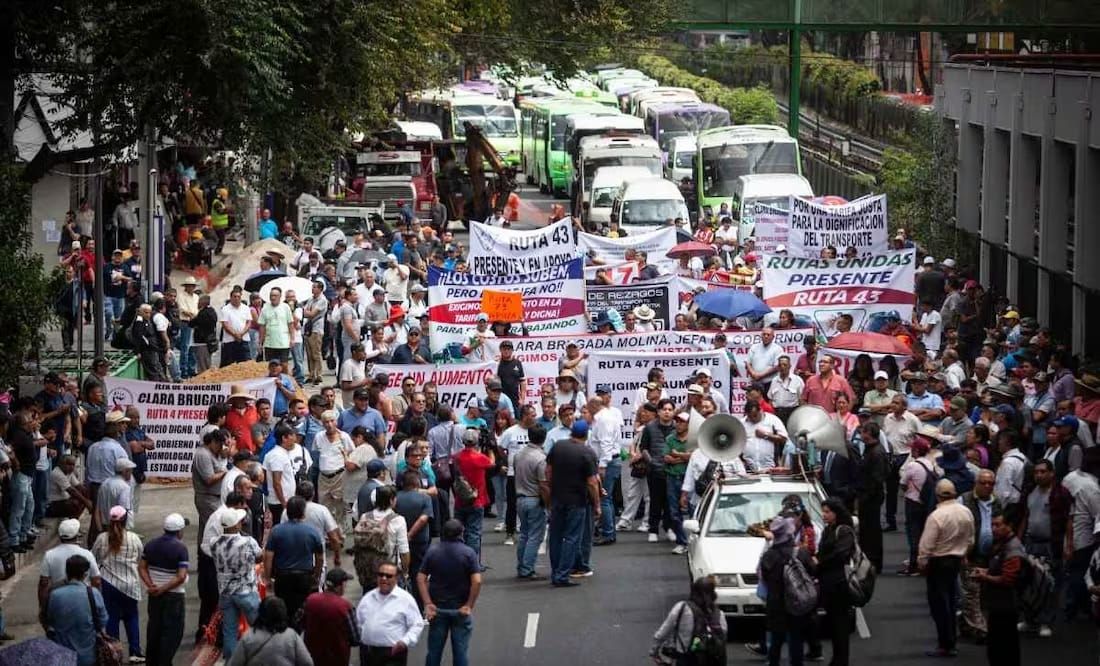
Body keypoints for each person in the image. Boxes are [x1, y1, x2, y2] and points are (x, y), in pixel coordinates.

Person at [918, 479, 975, 658]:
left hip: (938, 563)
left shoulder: (936, 516)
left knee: (939, 605)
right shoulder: (965, 511)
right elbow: (971, 539)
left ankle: (945, 644)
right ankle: (951, 641)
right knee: (951, 601)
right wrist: (964, 554)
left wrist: (922, 563)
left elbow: (926, 545)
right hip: (956, 561)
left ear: (937, 495)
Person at [418, 519, 482, 666]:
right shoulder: (468, 553)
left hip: (438, 608)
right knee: (460, 653)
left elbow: (420, 578)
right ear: (461, 533)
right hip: (460, 609)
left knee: (434, 652)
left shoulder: (433, 551)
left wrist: (427, 603)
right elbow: (477, 581)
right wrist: (469, 605)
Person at [546, 419, 601, 587]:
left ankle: (556, 571)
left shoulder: (558, 446)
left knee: (555, 536)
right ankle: (563, 574)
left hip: (557, 498)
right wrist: (597, 504)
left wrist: (551, 489)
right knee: (571, 537)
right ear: (586, 434)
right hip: (577, 500)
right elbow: (592, 482)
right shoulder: (587, 453)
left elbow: (548, 470)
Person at [90, 506, 144, 662]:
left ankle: (114, 654)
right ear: (125, 521)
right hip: (130, 585)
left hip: (108, 584)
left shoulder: (102, 538)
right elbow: (140, 557)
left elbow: (93, 558)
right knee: (131, 617)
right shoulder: (134, 538)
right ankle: (135, 652)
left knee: (111, 619)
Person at [759, 516, 815, 666]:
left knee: (776, 640)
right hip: (797, 601)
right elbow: (812, 571)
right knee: (796, 639)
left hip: (775, 603)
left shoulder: (768, 556)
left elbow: (764, 578)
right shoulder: (801, 553)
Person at [138, 513, 190, 666]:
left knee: (154, 630)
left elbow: (142, 567)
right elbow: (181, 576)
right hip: (174, 597)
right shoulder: (181, 548)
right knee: (172, 633)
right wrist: (162, 589)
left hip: (154, 596)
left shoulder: (151, 544)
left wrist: (151, 586)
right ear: (179, 531)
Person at [264, 496, 324, 625]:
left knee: (283, 609)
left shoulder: (276, 531)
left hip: (283, 577)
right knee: (303, 610)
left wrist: (267, 578)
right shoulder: (312, 532)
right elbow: (320, 557)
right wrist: (316, 575)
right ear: (303, 512)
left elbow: (268, 556)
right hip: (304, 577)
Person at [44, 556, 108, 666]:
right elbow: (103, 621)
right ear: (85, 574)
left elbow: (50, 620)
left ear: (67, 572)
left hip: (63, 657)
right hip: (88, 657)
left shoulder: (55, 595)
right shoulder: (94, 593)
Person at [356, 561, 425, 666]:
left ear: (396, 578)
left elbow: (417, 624)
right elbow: (359, 622)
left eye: (388, 576)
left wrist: (405, 641)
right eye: (381, 575)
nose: (384, 578)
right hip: (368, 653)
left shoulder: (405, 599)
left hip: (393, 653)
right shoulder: (367, 598)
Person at [651, 576, 727, 665]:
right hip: (711, 660)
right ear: (713, 594)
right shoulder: (719, 614)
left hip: (686, 659)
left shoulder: (682, 608)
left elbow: (664, 631)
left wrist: (654, 650)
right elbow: (723, 636)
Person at [815, 499, 856, 666]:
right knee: (833, 624)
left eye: (827, 512)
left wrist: (820, 562)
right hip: (827, 583)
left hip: (839, 583)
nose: (824, 515)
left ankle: (841, 660)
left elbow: (841, 554)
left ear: (836, 512)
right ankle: (836, 658)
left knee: (840, 624)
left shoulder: (844, 530)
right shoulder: (827, 529)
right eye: (823, 511)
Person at [227, 596, 313, 666]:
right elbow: (307, 662)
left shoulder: (248, 637)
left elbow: (234, 663)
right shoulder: (292, 635)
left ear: (261, 613)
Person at [38, 519, 101, 612]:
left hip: (58, 601)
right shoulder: (87, 554)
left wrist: (43, 608)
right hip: (83, 601)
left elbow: (43, 584)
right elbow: (96, 581)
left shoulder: (49, 555)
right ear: (76, 535)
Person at [452, 428, 495, 563]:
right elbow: (492, 463)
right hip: (477, 499)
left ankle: (459, 559)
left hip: (460, 499)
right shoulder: (480, 458)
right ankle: (473, 561)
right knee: (474, 532)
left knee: (460, 532)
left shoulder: (457, 457)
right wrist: (490, 450)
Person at [302, 568, 360, 666]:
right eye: (345, 583)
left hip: (312, 659)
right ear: (340, 586)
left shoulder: (310, 600)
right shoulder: (346, 607)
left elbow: (299, 623)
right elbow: (356, 639)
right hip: (338, 660)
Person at [513, 424, 549, 578]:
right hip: (534, 499)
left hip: (521, 498)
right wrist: (548, 504)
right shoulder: (541, 458)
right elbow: (543, 484)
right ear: (544, 438)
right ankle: (527, 568)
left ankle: (522, 566)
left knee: (524, 534)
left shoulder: (519, 454)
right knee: (535, 536)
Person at [192, 428, 228, 537]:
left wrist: (224, 455)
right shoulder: (203, 455)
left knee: (205, 529)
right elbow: (209, 479)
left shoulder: (214, 453)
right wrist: (224, 473)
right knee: (214, 529)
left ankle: (202, 548)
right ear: (213, 442)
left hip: (215, 497)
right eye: (219, 445)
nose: (220, 448)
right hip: (207, 498)